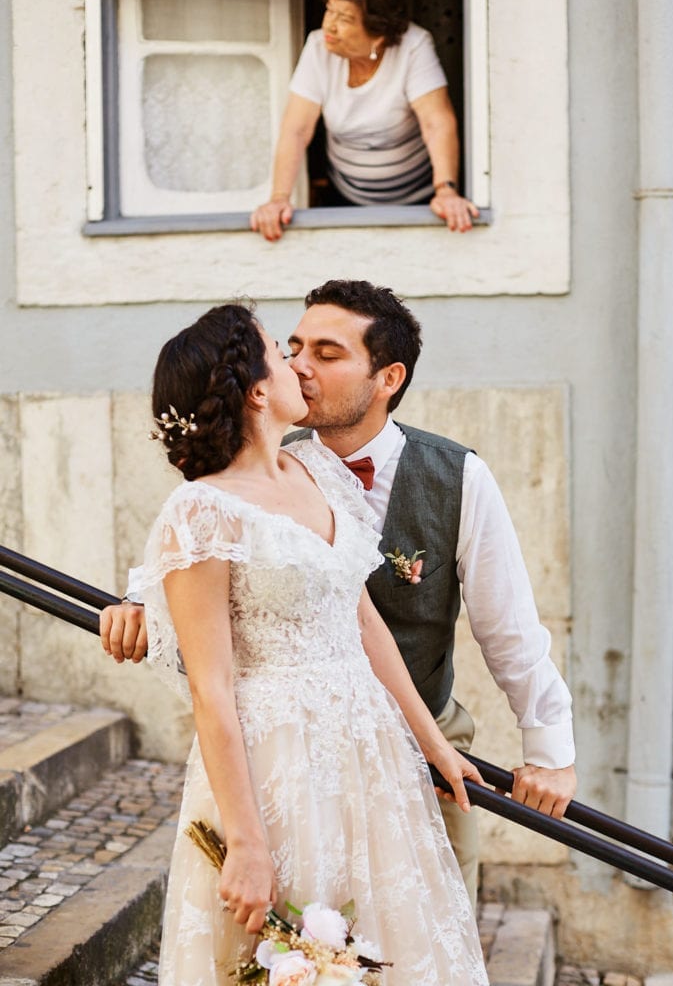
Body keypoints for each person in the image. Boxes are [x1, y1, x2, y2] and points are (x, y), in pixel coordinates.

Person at [101, 280, 577, 907]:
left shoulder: (458, 476)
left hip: (425, 733)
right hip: (293, 753)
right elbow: (199, 548)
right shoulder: (277, 463)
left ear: (387, 378)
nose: (300, 364)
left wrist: (547, 751)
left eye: (327, 354)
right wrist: (139, 602)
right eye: (293, 347)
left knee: (430, 924)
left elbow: (509, 629)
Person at [134, 302, 489, 985]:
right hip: (275, 760)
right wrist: (245, 841)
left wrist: (434, 743)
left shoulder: (317, 474)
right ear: (258, 390)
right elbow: (211, 690)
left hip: (368, 748)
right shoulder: (201, 512)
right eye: (280, 349)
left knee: (389, 944)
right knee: (289, 952)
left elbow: (363, 625)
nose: (298, 364)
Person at [250, 0, 478, 240]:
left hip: (419, 201)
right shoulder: (318, 46)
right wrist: (278, 198)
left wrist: (446, 191)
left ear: (378, 34)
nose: (329, 26)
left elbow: (436, 122)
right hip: (345, 196)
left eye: (344, 19)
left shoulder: (413, 46)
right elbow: (296, 129)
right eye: (329, 10)